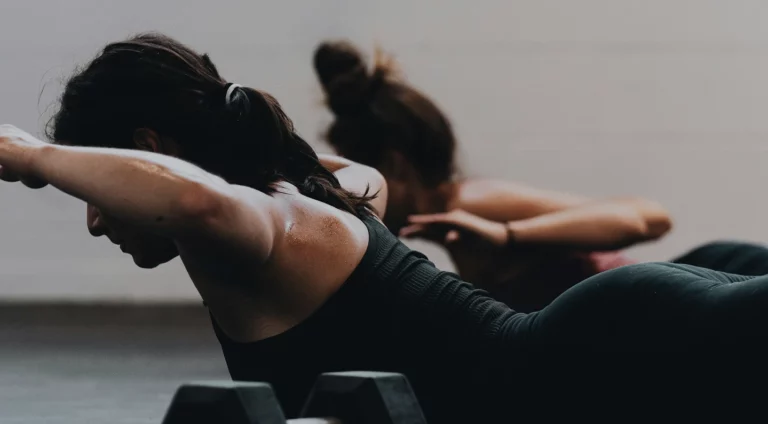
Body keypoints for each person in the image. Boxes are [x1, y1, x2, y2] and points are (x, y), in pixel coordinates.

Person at [2, 33, 767, 422]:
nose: (99, 218)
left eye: (98, 189)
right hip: (610, 341)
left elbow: (198, 201)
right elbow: (348, 175)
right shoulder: (315, 186)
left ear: (150, 152)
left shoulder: (258, 221)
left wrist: (35, 157)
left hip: (599, 362)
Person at [313, 40, 768, 311]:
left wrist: (509, 235)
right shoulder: (450, 225)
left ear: (395, 166)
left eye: (356, 176)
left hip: (700, 290)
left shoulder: (472, 203)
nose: (350, 195)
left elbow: (647, 218)